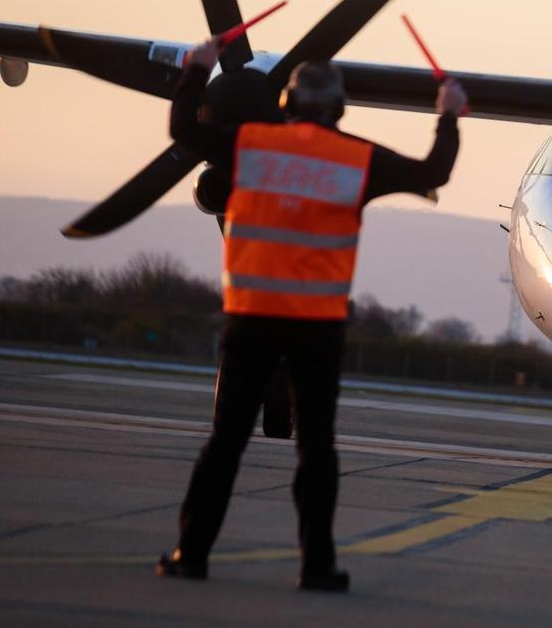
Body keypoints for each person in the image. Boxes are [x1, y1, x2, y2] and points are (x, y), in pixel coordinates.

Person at [156, 38, 467, 591]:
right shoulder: (358, 159)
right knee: (316, 448)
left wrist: (197, 70)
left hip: (251, 318)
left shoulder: (250, 145)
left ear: (287, 103)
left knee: (226, 443)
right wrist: (447, 115)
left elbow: (184, 129)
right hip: (317, 328)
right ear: (339, 109)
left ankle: (191, 553)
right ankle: (317, 566)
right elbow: (432, 172)